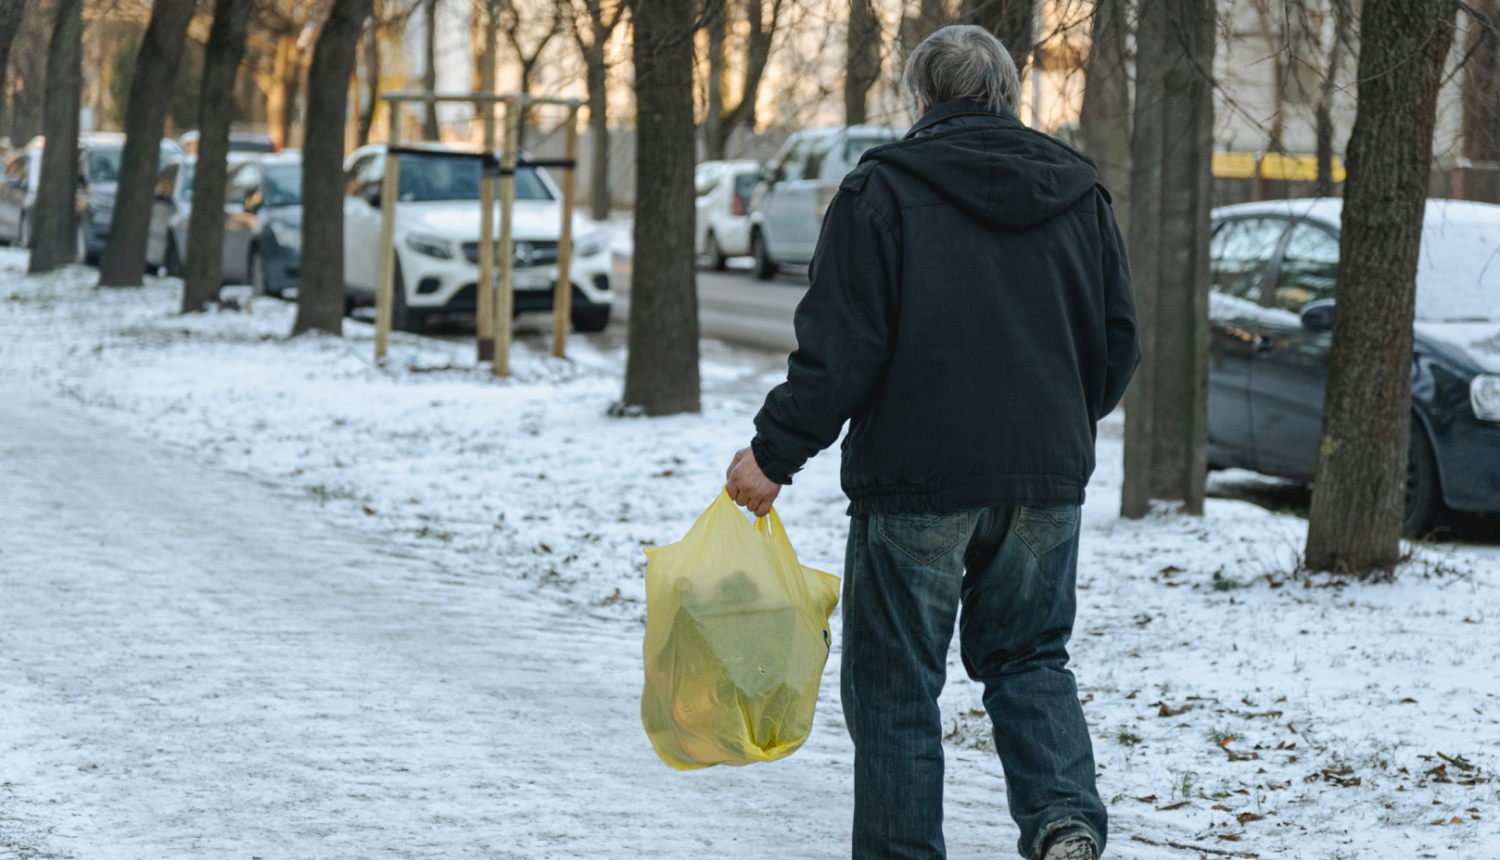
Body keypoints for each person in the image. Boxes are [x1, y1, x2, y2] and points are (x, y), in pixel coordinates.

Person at [723, 24, 1139, 860]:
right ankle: (1063, 819)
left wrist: (773, 454)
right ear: (1008, 96)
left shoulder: (880, 191)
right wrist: (1053, 429)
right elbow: (1117, 343)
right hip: (1044, 478)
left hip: (916, 481)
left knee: (896, 688)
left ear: (920, 98)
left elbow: (841, 351)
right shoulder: (1080, 194)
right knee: (1029, 656)